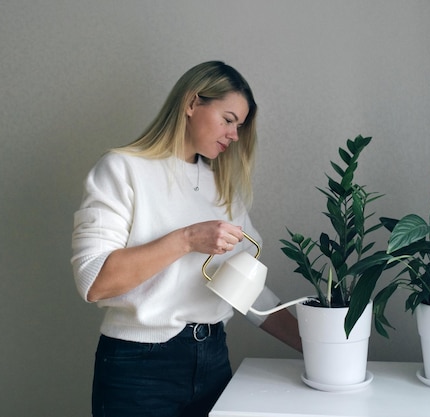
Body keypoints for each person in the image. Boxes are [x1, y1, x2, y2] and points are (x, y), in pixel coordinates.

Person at [71, 61, 302, 417]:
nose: (234, 135)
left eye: (239, 126)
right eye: (228, 120)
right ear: (193, 103)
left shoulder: (223, 189)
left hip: (213, 362)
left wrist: (319, 346)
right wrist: (189, 239)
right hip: (137, 372)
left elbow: (246, 289)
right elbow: (95, 282)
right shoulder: (122, 169)